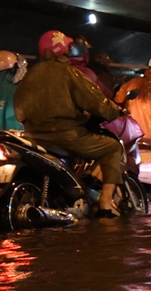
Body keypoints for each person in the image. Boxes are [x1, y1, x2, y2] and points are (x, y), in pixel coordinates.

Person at [14, 29, 127, 215]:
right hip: (68, 136)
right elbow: (96, 101)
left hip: (34, 136)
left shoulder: (30, 75)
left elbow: (19, 110)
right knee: (112, 147)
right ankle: (106, 202)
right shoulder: (69, 73)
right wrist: (115, 111)